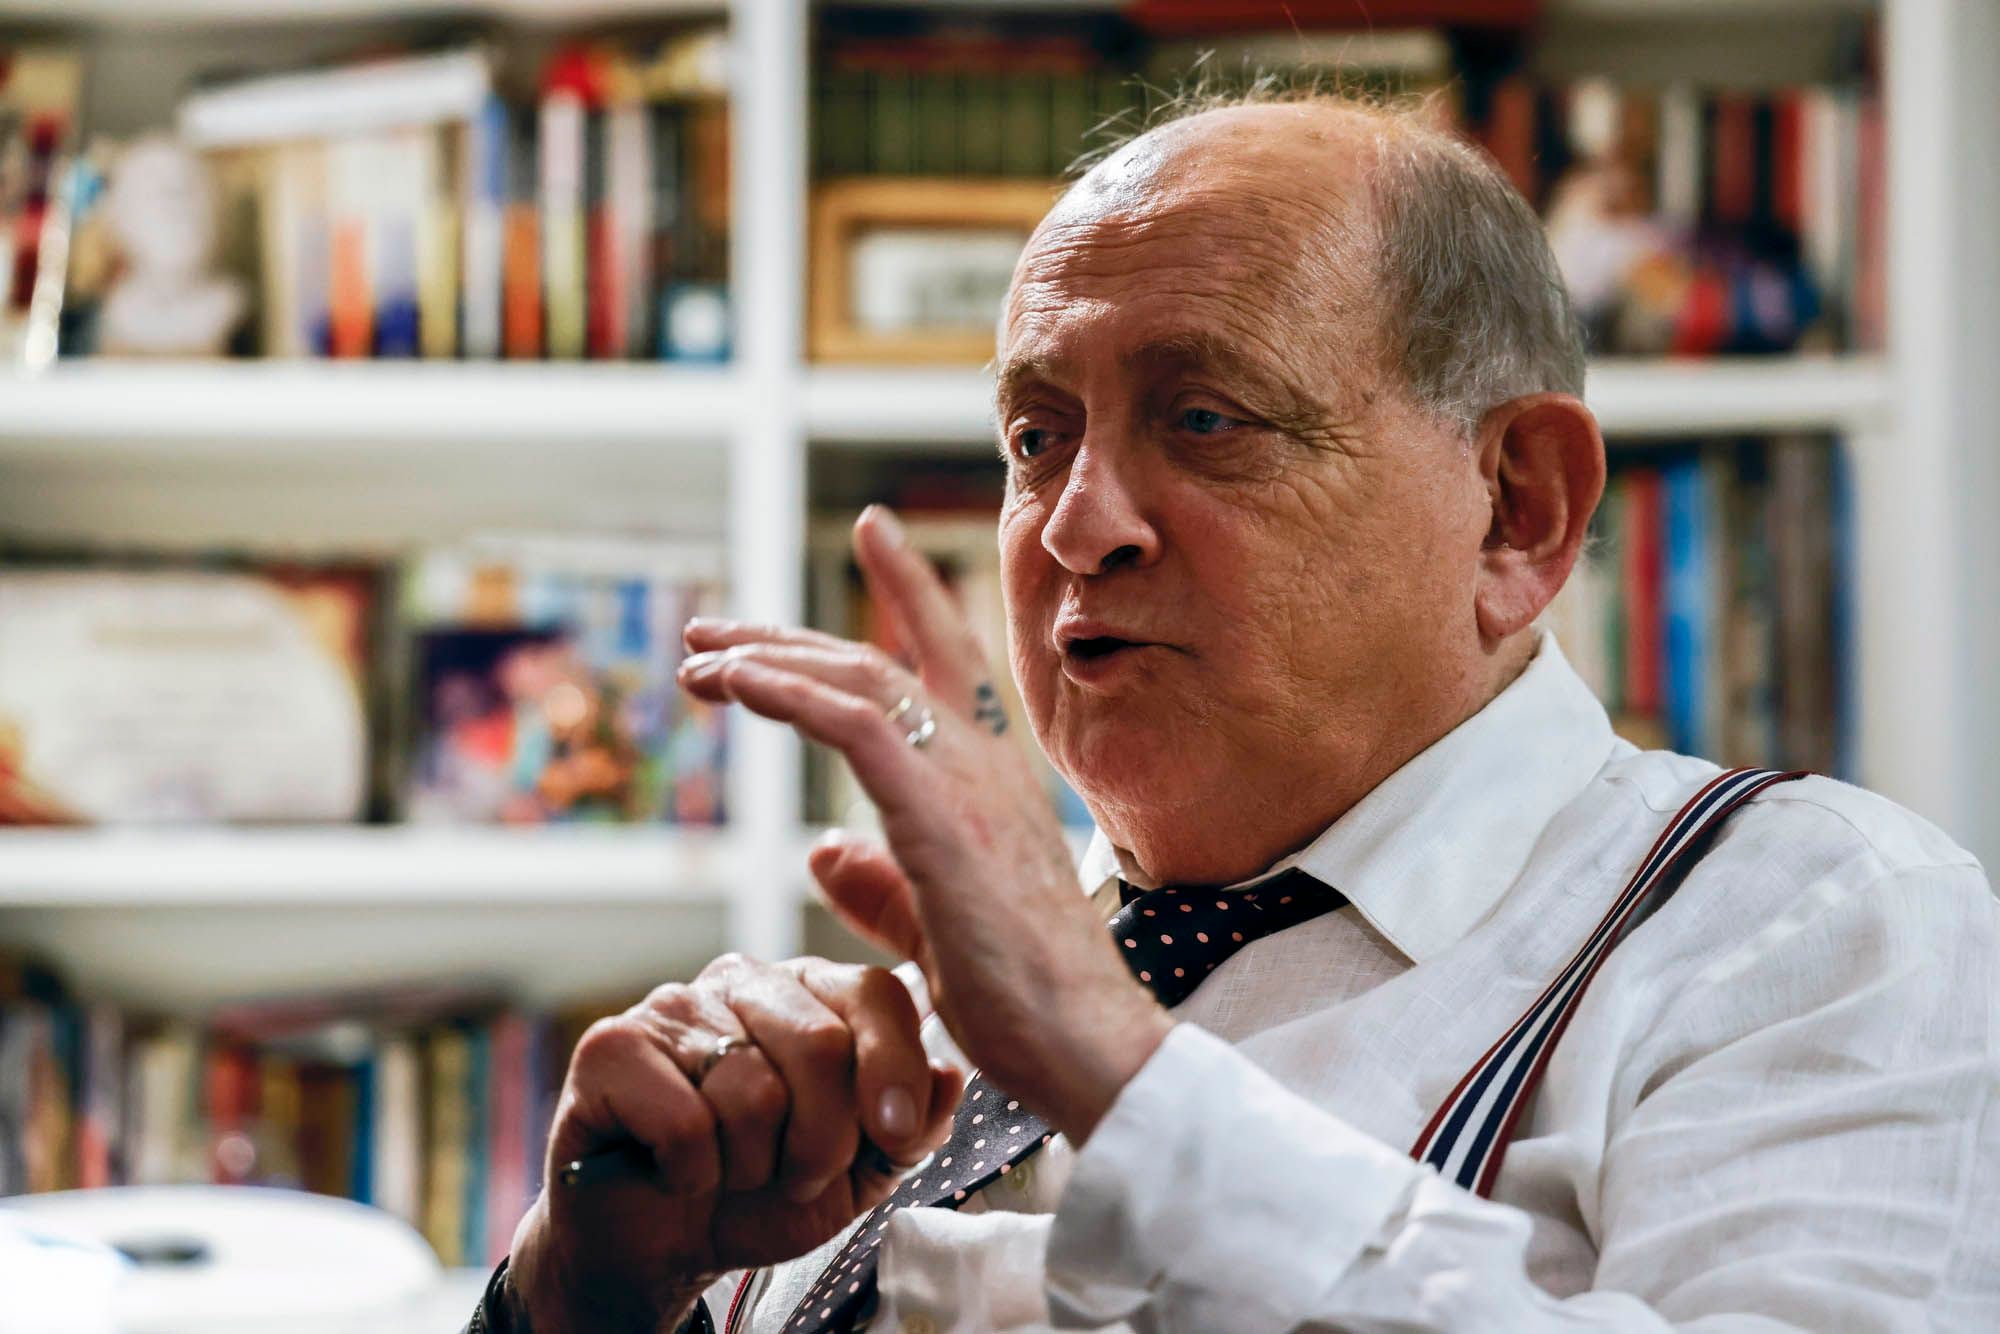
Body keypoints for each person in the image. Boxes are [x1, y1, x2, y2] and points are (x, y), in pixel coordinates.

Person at [471, 92, 1998, 1333]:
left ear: (1518, 509)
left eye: (1205, 417)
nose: (1078, 525)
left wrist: (1112, 1067)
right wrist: (591, 1292)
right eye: (1036, 436)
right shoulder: (915, 1035)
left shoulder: (1812, 923)